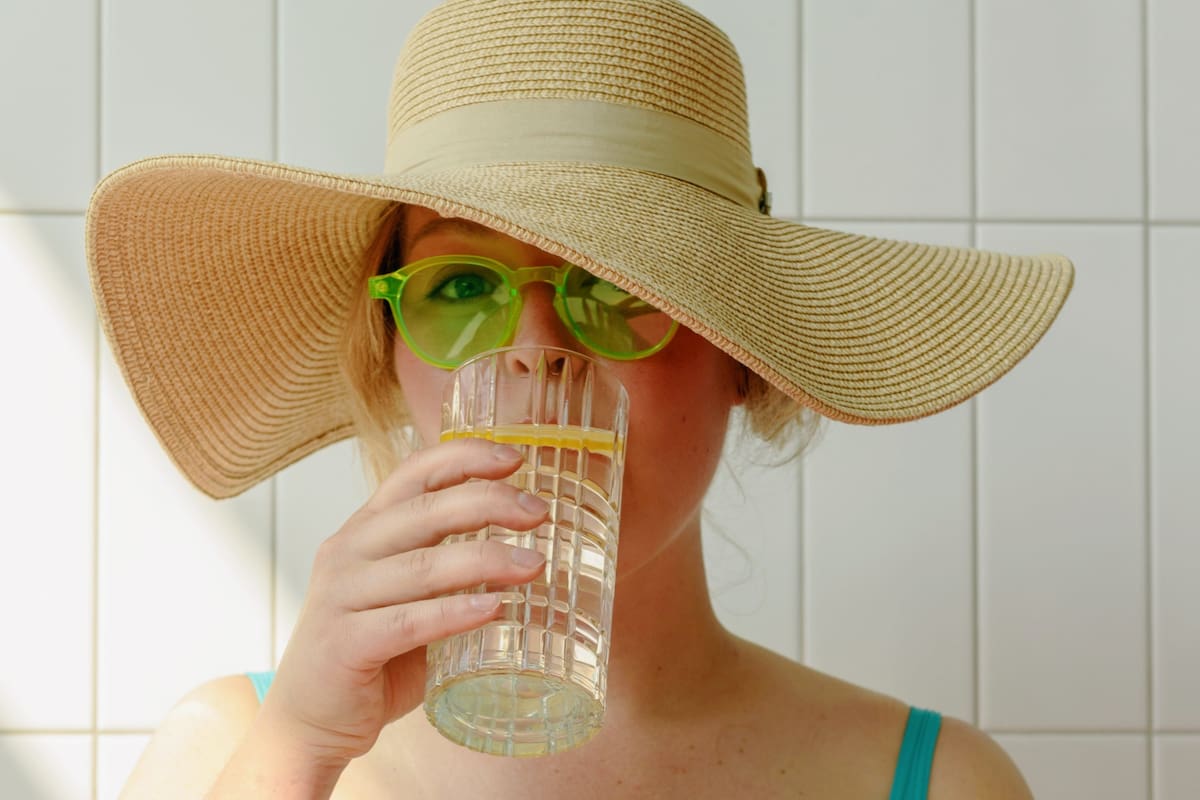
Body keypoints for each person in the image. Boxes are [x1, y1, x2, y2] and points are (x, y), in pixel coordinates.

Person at [86, 1, 1074, 797]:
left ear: (744, 355)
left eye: (620, 288)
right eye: (462, 286)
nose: (535, 355)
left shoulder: (935, 781)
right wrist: (297, 753)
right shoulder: (229, 749)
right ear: (389, 350)